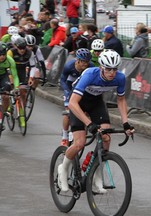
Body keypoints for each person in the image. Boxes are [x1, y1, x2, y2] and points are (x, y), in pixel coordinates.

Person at [57, 49, 134, 193]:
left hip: (96, 102)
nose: (112, 73)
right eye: (108, 69)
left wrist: (125, 123)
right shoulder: (89, 75)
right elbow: (73, 103)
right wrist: (89, 124)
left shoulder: (120, 78)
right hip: (78, 103)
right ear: (101, 68)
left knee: (106, 138)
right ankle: (63, 168)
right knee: (79, 143)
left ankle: (97, 177)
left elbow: (121, 99)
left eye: (114, 69)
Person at [59, 48, 94, 146]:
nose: (85, 64)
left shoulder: (90, 67)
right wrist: (67, 92)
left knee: (84, 109)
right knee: (68, 111)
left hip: (82, 88)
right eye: (83, 62)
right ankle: (65, 136)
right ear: (77, 60)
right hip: (70, 88)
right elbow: (62, 81)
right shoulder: (69, 66)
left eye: (87, 61)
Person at [7, 37, 39, 122]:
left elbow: (33, 67)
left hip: (21, 70)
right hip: (11, 69)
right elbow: (7, 65)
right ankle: (9, 104)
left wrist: (31, 78)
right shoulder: (11, 52)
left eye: (24, 48)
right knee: (10, 85)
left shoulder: (30, 53)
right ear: (16, 47)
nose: (22, 50)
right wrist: (10, 77)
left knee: (23, 91)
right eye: (20, 48)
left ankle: (22, 110)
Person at [0, 42, 20, 117]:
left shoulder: (10, 60)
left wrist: (17, 88)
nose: (2, 57)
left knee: (6, 96)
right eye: (0, 55)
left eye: (3, 55)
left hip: (3, 76)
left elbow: (15, 76)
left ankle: (2, 114)